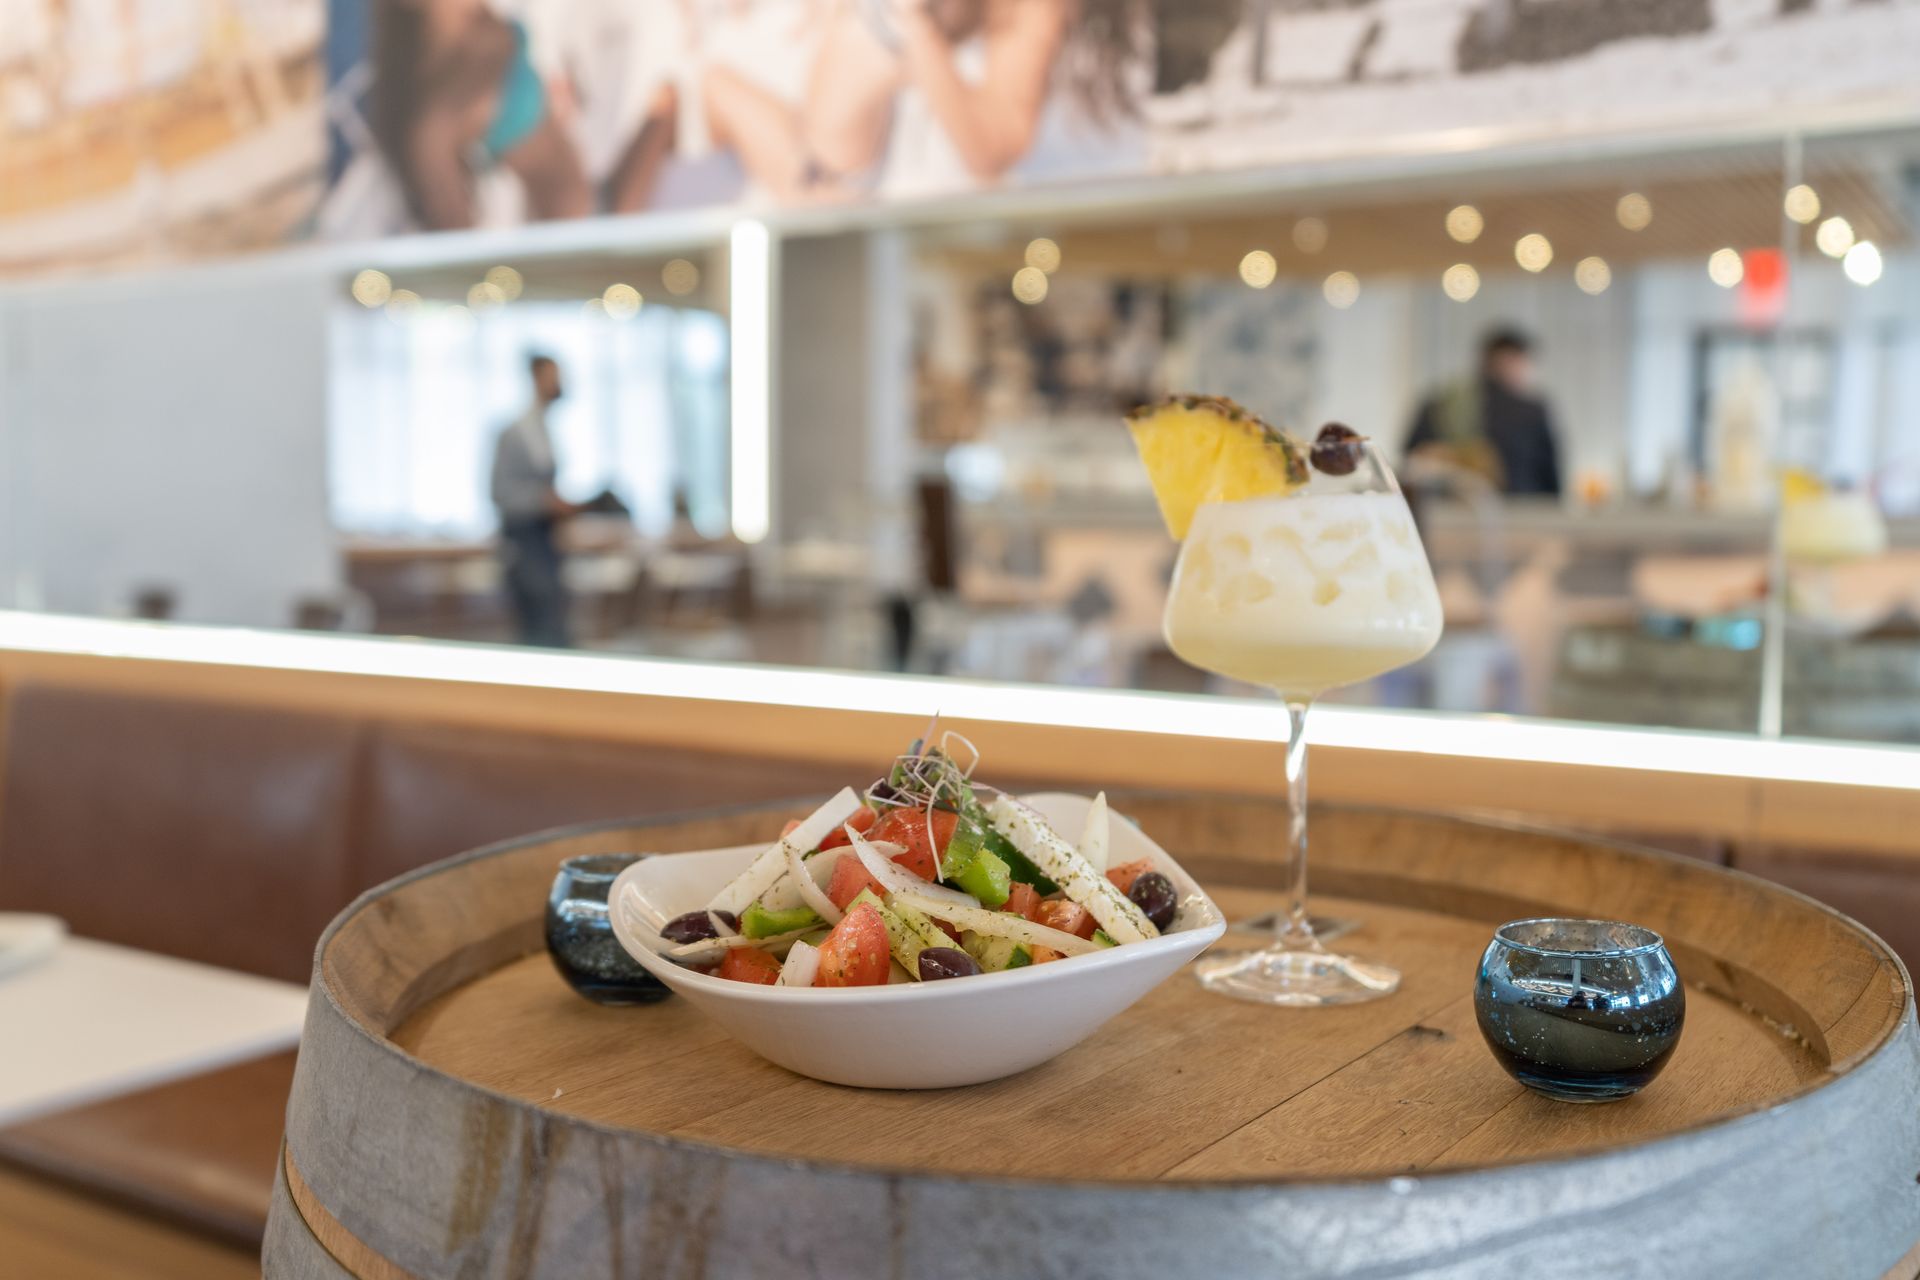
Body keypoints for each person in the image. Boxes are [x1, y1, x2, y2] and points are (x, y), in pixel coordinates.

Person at [1406, 328, 1563, 497]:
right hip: (1520, 511)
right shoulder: (1531, 410)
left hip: (1444, 511)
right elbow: (1550, 477)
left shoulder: (1437, 403)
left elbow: (1409, 457)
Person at [491, 354, 577, 647]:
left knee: (556, 625)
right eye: (553, 376)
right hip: (525, 547)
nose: (559, 384)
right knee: (541, 630)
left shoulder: (544, 430)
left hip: (548, 544)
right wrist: (544, 502)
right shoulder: (515, 433)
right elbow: (499, 493)